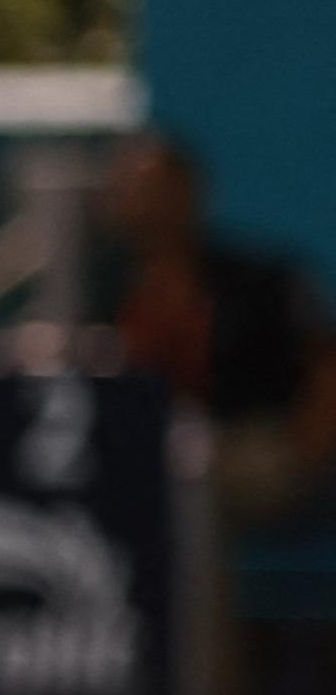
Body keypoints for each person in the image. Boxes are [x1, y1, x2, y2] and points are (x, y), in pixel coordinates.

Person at [102, 133, 336, 531]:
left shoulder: (261, 281)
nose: (143, 203)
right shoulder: (99, 289)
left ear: (190, 192)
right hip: (134, 452)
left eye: (156, 189)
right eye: (127, 188)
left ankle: (199, 595)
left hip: (252, 444)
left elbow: (325, 364)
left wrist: (306, 449)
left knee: (191, 484)